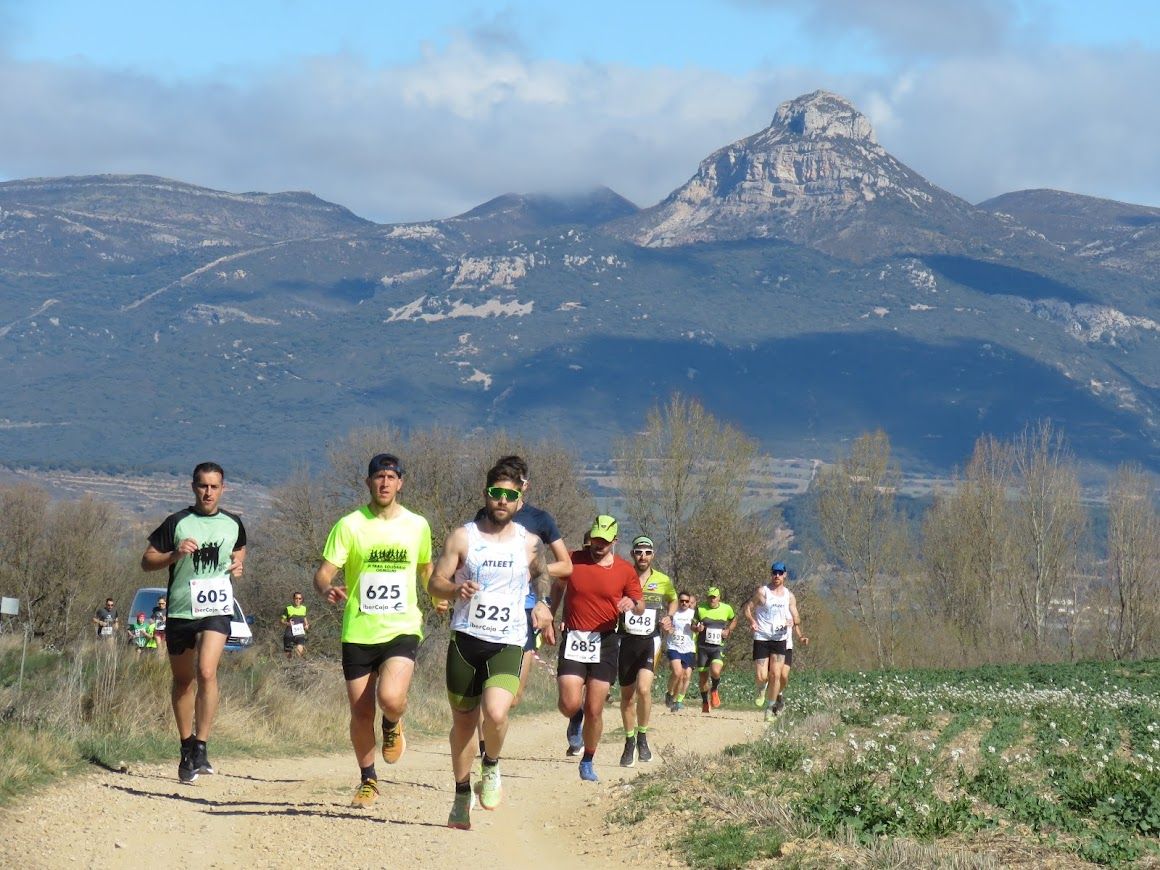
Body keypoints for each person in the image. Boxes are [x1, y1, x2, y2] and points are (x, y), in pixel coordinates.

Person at [428, 461, 556, 830]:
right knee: (464, 724)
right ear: (486, 494)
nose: (502, 500)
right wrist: (454, 589)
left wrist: (544, 603)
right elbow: (436, 581)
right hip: (467, 639)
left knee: (497, 713)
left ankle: (492, 764)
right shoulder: (463, 537)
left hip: (508, 641)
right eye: (496, 493)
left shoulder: (529, 542)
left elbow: (542, 575)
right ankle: (461, 792)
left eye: (510, 495)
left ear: (520, 499)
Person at [313, 453, 432, 809]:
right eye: (378, 477)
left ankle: (393, 722)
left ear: (401, 483)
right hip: (359, 630)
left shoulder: (417, 525)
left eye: (391, 477)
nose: (384, 483)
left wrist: (439, 595)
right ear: (368, 482)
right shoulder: (349, 525)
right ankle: (368, 780)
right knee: (361, 712)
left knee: (391, 698)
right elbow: (323, 572)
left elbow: (426, 568)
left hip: (402, 626)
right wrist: (326, 588)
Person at [141, 461, 247, 783]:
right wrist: (174, 555)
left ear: (222, 489)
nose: (208, 492)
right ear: (193, 487)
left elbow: (239, 550)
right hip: (181, 611)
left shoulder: (234, 523)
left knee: (207, 671)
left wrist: (239, 566)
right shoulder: (177, 522)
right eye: (203, 486)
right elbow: (147, 562)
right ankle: (186, 746)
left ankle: (201, 744)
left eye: (214, 486)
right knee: (184, 680)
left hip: (215, 609)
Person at [471, 455, 572, 759]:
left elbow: (566, 566)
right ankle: (485, 754)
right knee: (483, 693)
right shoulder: (485, 514)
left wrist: (535, 568)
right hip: (485, 607)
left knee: (512, 696)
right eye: (498, 490)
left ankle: (492, 732)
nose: (503, 498)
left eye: (516, 485)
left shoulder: (541, 520)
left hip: (524, 611)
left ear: (524, 487)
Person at [551, 515, 642, 782]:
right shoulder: (572, 559)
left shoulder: (625, 570)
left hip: (605, 642)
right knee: (569, 704)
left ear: (614, 541)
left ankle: (588, 759)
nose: (597, 545)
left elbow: (640, 604)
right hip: (574, 637)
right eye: (594, 539)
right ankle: (574, 716)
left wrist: (630, 603)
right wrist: (550, 613)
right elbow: (557, 586)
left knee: (595, 708)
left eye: (603, 541)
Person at [617, 534, 676, 767]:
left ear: (653, 555)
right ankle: (629, 740)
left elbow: (672, 599)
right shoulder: (623, 575)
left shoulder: (662, 579)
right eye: (639, 552)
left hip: (650, 641)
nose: (643, 556)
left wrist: (669, 617)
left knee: (644, 689)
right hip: (625, 641)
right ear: (633, 553)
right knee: (627, 696)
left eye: (647, 552)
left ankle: (642, 737)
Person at [745, 562, 808, 720]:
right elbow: (748, 609)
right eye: (774, 573)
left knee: (776, 675)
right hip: (762, 637)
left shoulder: (789, 596)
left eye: (780, 573)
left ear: (785, 575)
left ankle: (770, 707)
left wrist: (793, 622)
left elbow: (797, 617)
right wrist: (752, 621)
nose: (777, 576)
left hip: (780, 639)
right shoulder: (762, 592)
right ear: (771, 574)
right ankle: (761, 688)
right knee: (761, 676)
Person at [694, 587, 736, 713]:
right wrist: (697, 628)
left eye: (714, 597)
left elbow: (734, 619)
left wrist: (729, 630)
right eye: (710, 597)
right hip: (702, 648)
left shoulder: (726, 608)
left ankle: (714, 689)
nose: (712, 599)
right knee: (703, 678)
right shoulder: (700, 608)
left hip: (717, 647)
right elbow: (693, 624)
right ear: (707, 597)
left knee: (715, 671)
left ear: (719, 597)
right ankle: (705, 701)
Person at [664, 592, 696, 712]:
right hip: (673, 646)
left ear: (689, 602)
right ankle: (669, 692)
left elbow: (697, 628)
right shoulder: (673, 613)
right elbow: (664, 626)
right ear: (678, 601)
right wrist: (667, 629)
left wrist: (698, 628)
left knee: (684, 675)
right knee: (677, 673)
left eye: (686, 601)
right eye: (681, 600)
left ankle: (675, 699)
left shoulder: (693, 614)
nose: (684, 603)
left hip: (688, 648)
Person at [281, 592, 310, 658]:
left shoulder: (304, 608)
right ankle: (289, 667)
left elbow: (305, 619)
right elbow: (281, 621)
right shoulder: (288, 608)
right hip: (289, 634)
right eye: (296, 598)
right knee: (288, 656)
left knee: (299, 653)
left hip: (300, 634)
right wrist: (288, 623)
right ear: (293, 599)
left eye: (300, 598)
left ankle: (298, 666)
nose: (298, 600)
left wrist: (307, 625)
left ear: (302, 599)